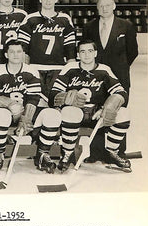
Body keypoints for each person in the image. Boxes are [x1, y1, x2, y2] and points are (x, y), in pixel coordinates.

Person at [50, 40, 131, 172]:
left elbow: (121, 92)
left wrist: (108, 107)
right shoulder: (70, 68)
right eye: (83, 51)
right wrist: (65, 98)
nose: (86, 55)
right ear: (77, 55)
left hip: (97, 113)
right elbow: (53, 94)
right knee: (70, 111)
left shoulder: (104, 70)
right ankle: (68, 153)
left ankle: (112, 151)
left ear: (95, 53)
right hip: (76, 113)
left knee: (124, 113)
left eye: (90, 51)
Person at [0, 40, 61, 173]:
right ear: (6, 55)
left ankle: (43, 154)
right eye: (12, 52)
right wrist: (7, 102)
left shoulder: (31, 71)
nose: (15, 55)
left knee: (53, 115)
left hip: (27, 112)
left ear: (23, 54)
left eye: (19, 51)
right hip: (6, 113)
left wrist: (26, 119)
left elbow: (33, 98)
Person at [18, 0, 77, 102]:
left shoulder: (65, 19)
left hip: (58, 68)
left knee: (57, 101)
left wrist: (71, 71)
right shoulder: (30, 19)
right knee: (35, 102)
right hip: (35, 67)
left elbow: (70, 49)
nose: (48, 0)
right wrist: (25, 69)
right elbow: (23, 48)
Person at [82, 0, 138, 93]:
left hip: (119, 75)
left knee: (117, 106)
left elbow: (133, 51)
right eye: (101, 6)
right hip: (95, 76)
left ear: (114, 6)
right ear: (97, 8)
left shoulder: (126, 26)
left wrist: (121, 64)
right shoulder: (88, 27)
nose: (104, 9)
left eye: (107, 5)